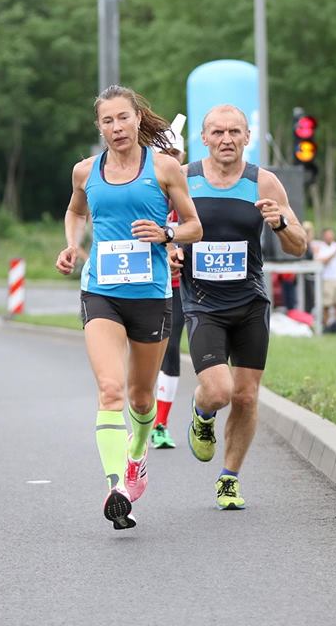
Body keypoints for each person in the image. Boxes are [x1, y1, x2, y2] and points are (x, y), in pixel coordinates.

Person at [55, 86, 201, 530]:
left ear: (137, 118)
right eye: (107, 121)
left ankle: (137, 455)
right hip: (101, 291)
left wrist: (166, 235)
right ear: (98, 126)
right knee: (110, 389)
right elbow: (75, 211)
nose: (116, 127)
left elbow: (194, 226)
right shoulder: (86, 171)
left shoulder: (164, 168)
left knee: (140, 397)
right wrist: (72, 244)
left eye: (123, 118)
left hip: (151, 295)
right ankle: (116, 486)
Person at [173, 104, 306, 510]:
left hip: (250, 302)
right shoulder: (182, 178)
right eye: (217, 132)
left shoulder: (263, 182)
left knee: (246, 397)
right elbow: (157, 229)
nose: (226, 139)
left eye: (234, 132)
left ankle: (229, 479)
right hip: (203, 304)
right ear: (204, 138)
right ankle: (202, 412)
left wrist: (280, 223)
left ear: (248, 137)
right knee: (219, 390)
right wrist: (170, 252)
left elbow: (299, 246)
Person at [151, 114, 187, 450]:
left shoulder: (188, 190)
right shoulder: (144, 189)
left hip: (178, 286)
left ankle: (161, 423)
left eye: (175, 154)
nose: (170, 160)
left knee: (171, 348)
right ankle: (141, 413)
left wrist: (180, 251)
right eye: (165, 153)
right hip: (144, 284)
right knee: (146, 353)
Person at [312, 227, 336, 329]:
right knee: (326, 305)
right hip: (327, 279)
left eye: (331, 234)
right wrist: (335, 251)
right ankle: (326, 326)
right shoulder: (321, 247)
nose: (330, 236)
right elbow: (324, 261)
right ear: (324, 236)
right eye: (328, 235)